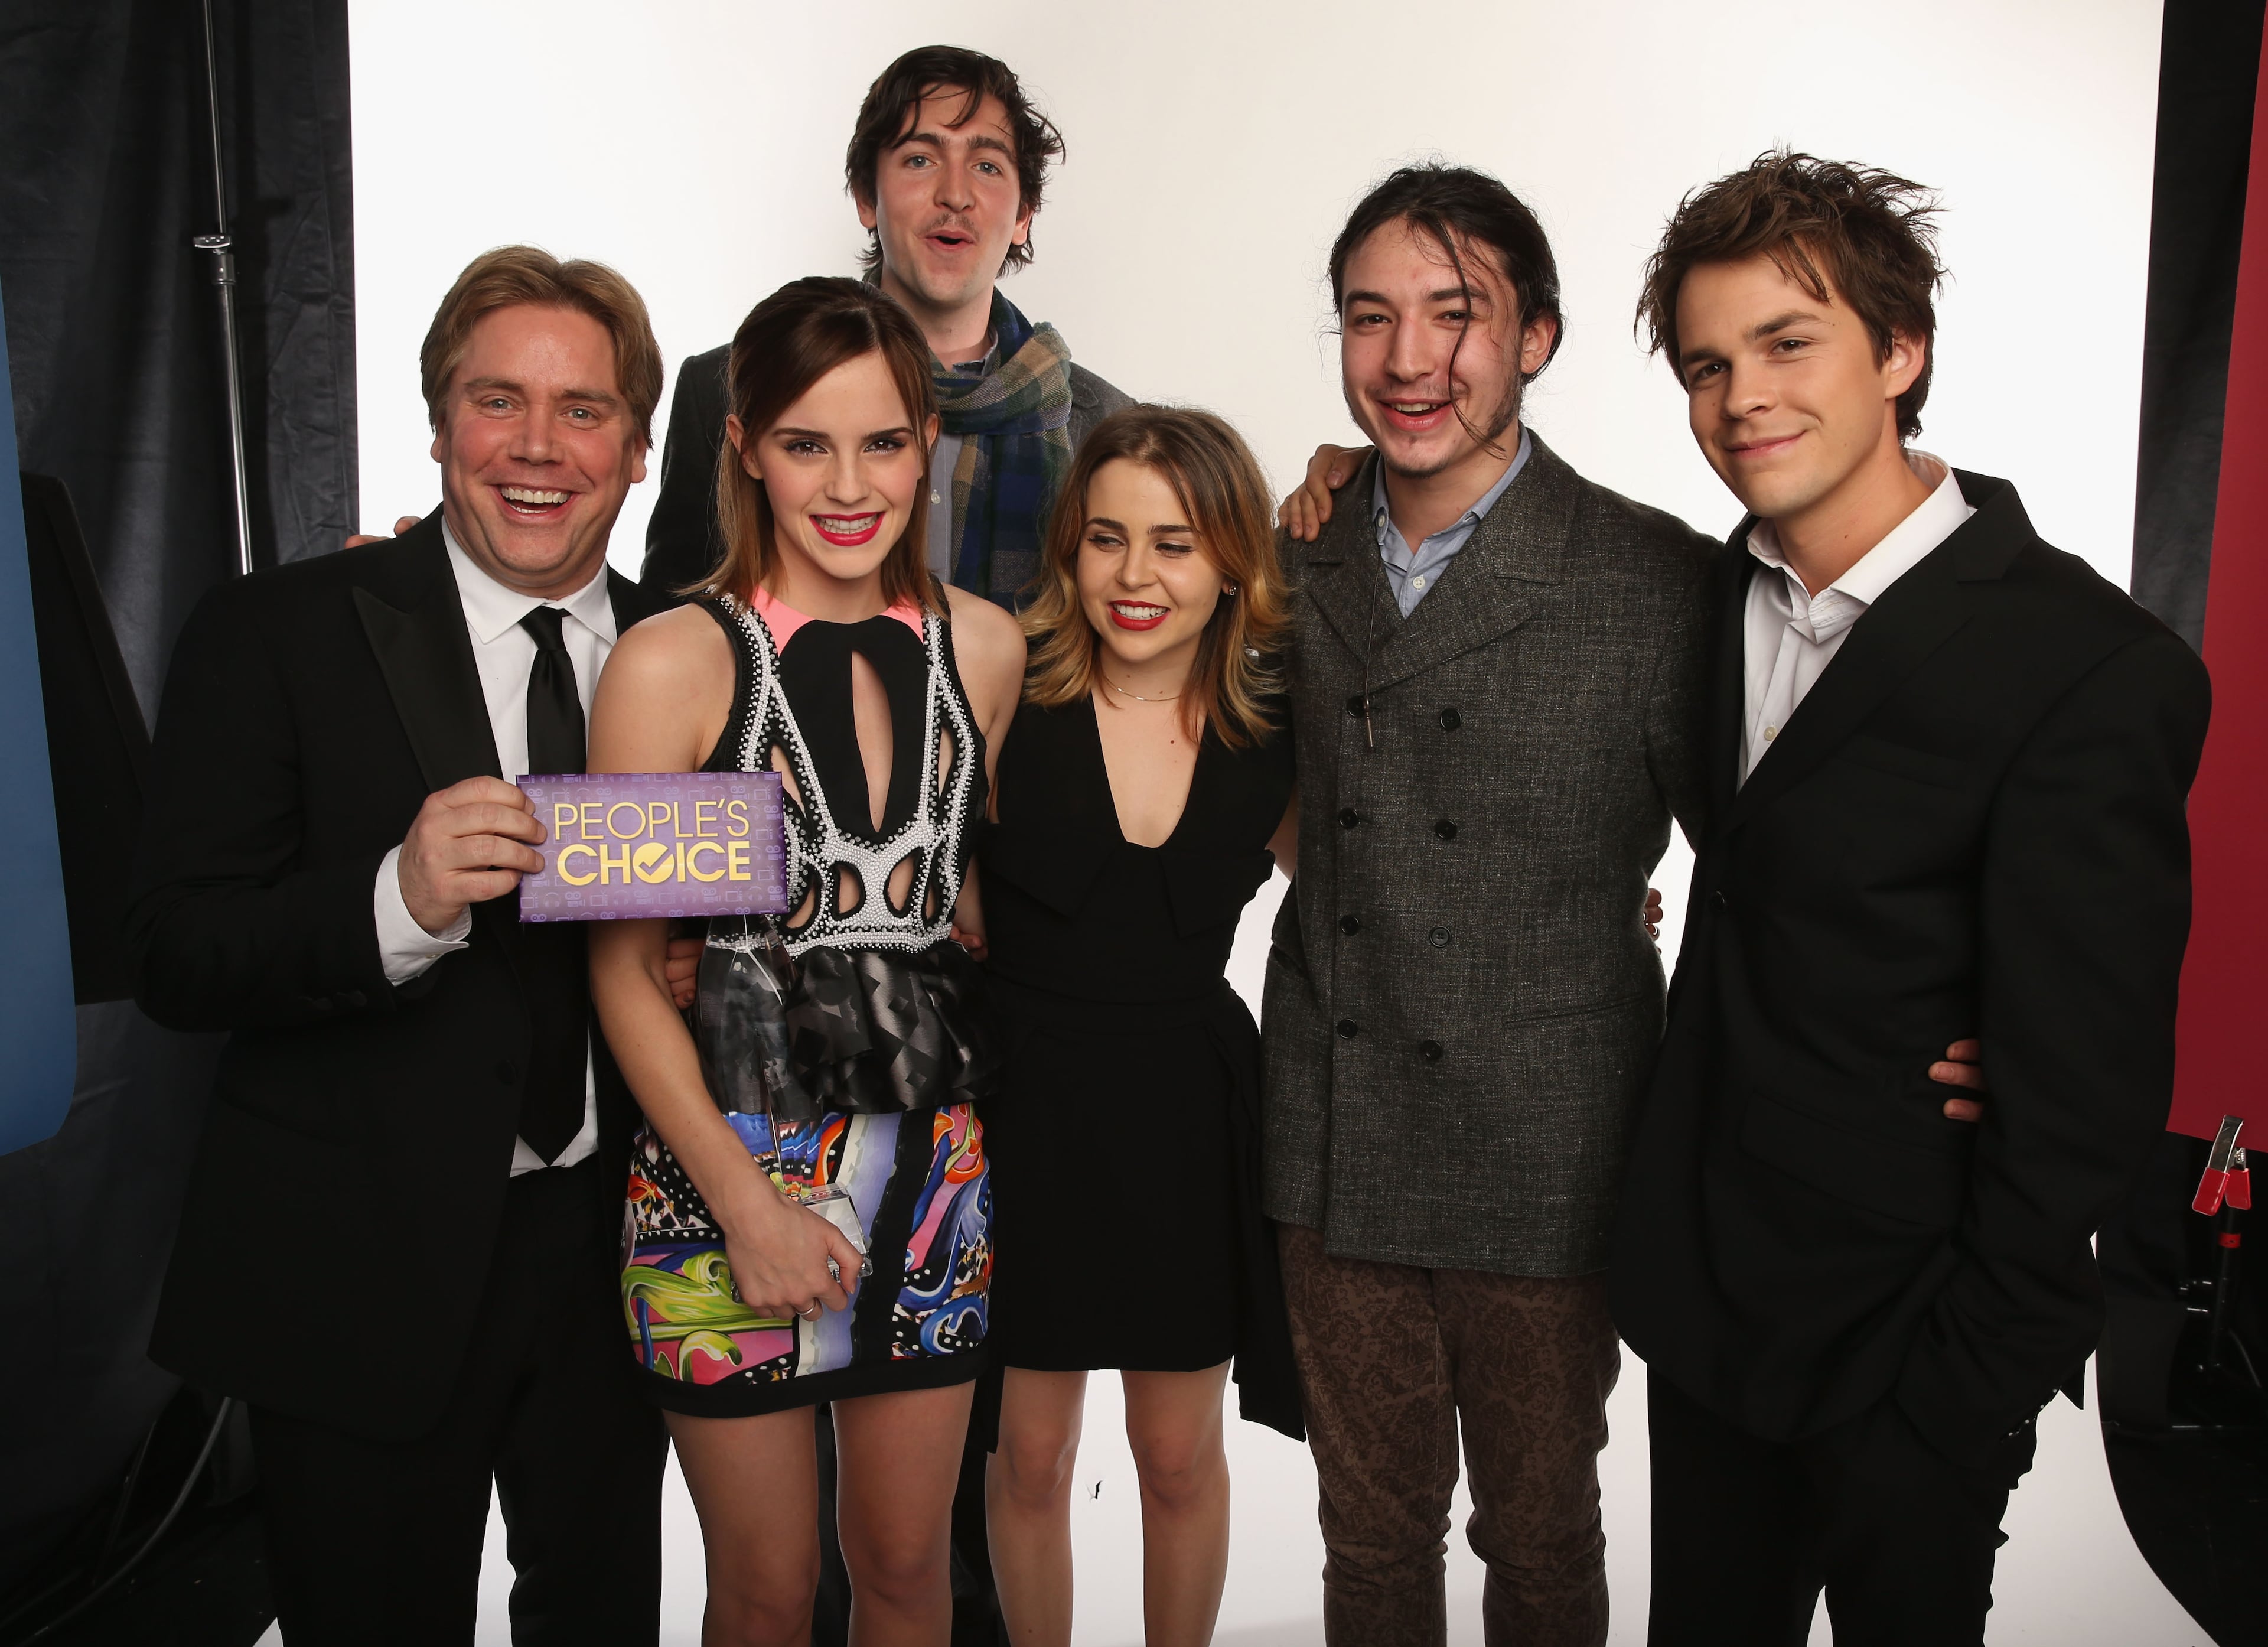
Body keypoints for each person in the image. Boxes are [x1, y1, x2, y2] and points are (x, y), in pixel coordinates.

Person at [1608, 153, 2212, 1646]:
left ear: (1898, 351)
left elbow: (2084, 1100)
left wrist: (1960, 1393)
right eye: (1705, 362)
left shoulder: (2088, 668)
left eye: (1785, 342)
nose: (1738, 395)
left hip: (1910, 1353)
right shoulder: (1701, 604)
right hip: (1706, 1320)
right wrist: (1357, 472)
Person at [125, 248, 674, 1643]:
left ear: (639, 445)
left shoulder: (696, 654)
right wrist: (396, 901)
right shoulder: (275, 631)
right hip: (355, 1262)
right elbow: (176, 952)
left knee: (603, 1615)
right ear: (437, 425)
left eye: (585, 409)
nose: (539, 446)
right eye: (499, 401)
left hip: (619, 1248)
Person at [587, 275, 1025, 1647]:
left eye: (883, 441)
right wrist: (749, 1210)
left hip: (931, 1176)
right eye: (805, 443)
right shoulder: (671, 661)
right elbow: (620, 973)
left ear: (929, 444)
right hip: (722, 1185)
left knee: (910, 1573)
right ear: (744, 447)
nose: (849, 483)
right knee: (766, 1594)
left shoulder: (988, 650)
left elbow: (955, 917)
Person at [973, 405, 1304, 1647]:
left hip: (1187, 1112)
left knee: (1176, 1453)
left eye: (1173, 543)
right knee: (1031, 1453)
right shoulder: (1007, 693)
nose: (1134, 575)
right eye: (1106, 538)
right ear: (1070, 549)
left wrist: (1599, 900)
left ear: (1230, 558)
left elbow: (1382, 884)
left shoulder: (1276, 734)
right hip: (1024, 1106)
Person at [642, 45, 1132, 606]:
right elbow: (672, 619)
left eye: (987, 166)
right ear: (865, 198)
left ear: (1023, 216)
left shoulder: (1103, 424)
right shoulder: (724, 387)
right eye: (920, 159)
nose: (955, 195)